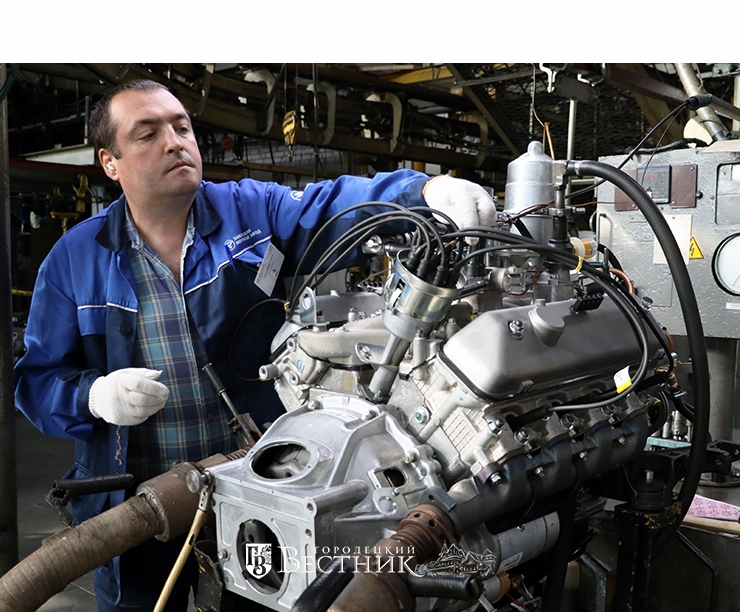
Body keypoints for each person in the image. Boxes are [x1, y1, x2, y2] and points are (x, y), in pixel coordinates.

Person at [13, 78, 496, 611]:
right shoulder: (74, 259)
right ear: (110, 162)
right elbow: (38, 381)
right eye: (147, 134)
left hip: (257, 492)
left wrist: (422, 193)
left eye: (182, 127)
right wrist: (93, 397)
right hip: (134, 507)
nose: (175, 142)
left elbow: (331, 205)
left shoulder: (249, 211)